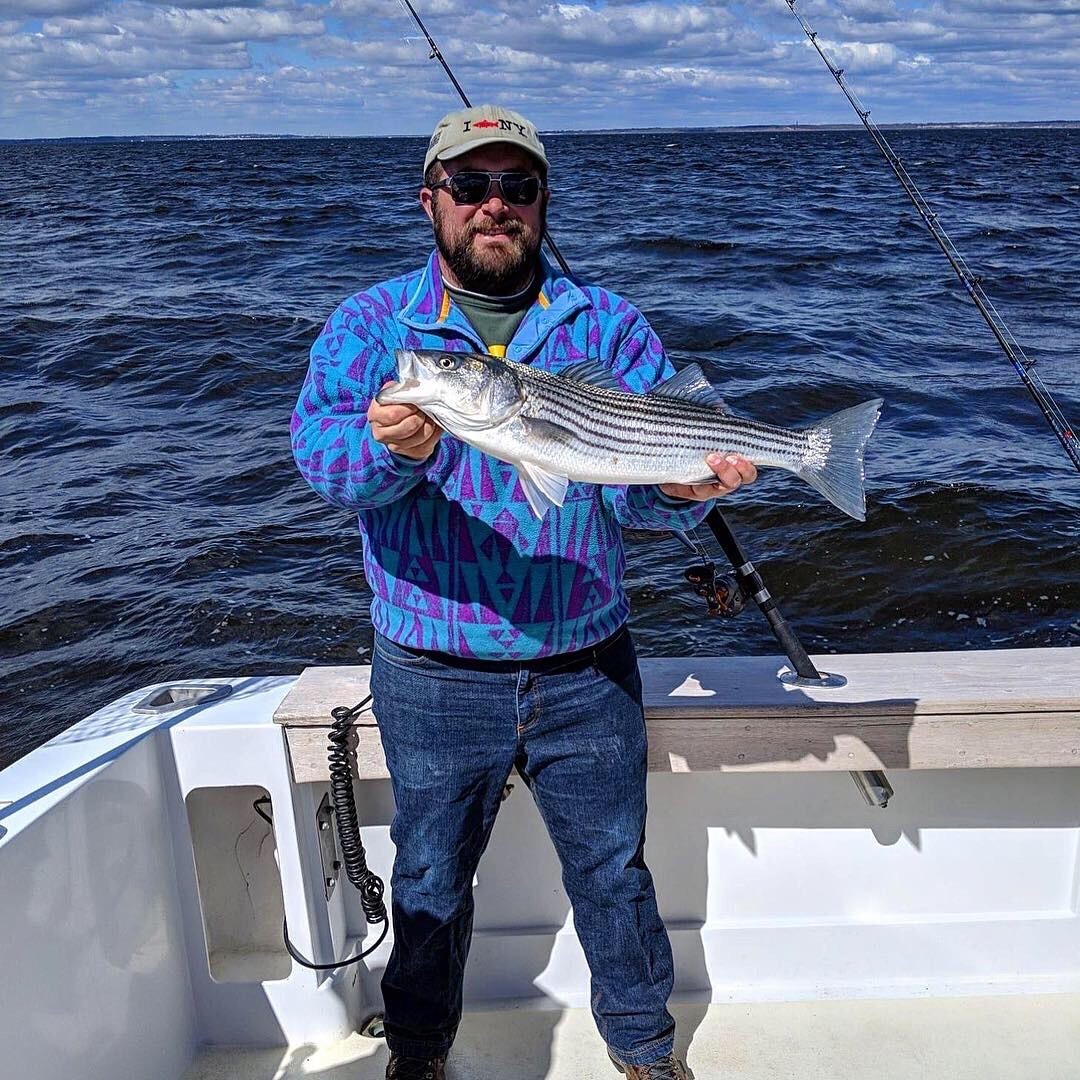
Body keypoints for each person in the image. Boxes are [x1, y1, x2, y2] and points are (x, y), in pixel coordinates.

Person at [291, 104, 757, 1080]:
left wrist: (681, 490)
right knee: (426, 881)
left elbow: (636, 498)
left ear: (542, 203)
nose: (494, 204)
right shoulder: (375, 327)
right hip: (431, 672)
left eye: (518, 186)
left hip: (586, 666)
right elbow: (318, 457)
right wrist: (389, 454)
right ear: (431, 201)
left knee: (614, 874)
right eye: (470, 186)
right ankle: (417, 1057)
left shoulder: (609, 325)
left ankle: (644, 1053)